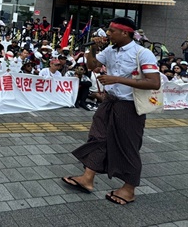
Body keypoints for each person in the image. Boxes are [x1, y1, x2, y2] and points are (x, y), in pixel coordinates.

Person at [62, 17, 160, 206]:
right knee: (97, 138)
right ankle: (87, 178)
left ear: (125, 32)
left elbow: (154, 82)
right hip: (109, 102)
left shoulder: (142, 53)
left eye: (112, 30)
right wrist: (92, 49)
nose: (107, 34)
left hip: (130, 106)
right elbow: (92, 66)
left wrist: (118, 80)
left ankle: (129, 189)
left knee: (127, 145)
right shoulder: (110, 50)